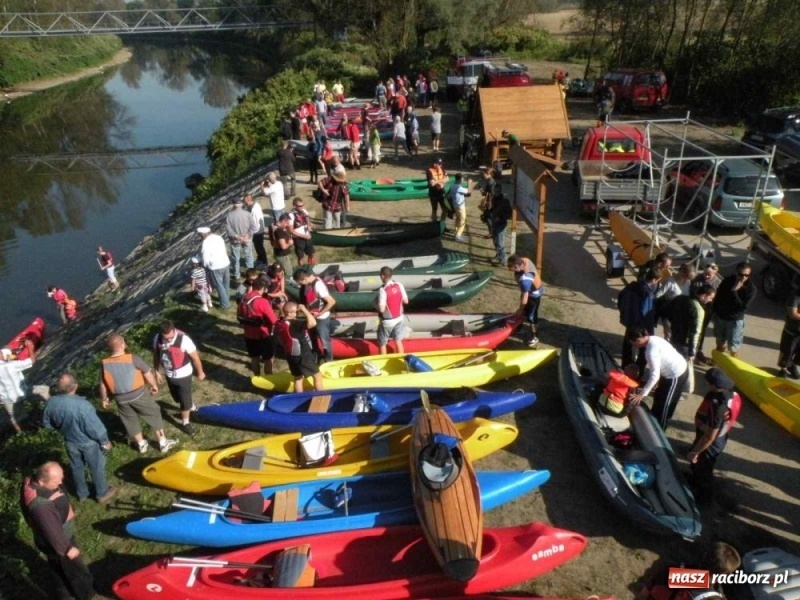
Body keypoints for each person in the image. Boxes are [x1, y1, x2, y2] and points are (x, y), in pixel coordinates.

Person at [21, 462, 96, 600]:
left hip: (50, 538)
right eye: (57, 481)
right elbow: (51, 531)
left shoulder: (35, 481)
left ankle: (64, 594)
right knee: (76, 570)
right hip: (60, 542)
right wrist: (67, 549)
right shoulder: (41, 506)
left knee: (59, 568)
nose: (61, 482)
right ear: (42, 481)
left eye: (61, 478)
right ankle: (87, 594)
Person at [42, 373, 116, 503]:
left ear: (58, 388)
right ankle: (102, 493)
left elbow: (47, 425)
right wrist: (105, 441)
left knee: (76, 468)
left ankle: (82, 494)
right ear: (75, 386)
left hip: (70, 441)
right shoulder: (83, 406)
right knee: (96, 468)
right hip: (88, 442)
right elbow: (95, 428)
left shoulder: (51, 403)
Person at [98, 333, 177, 454]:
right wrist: (154, 385)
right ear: (123, 344)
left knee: (130, 421)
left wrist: (104, 399)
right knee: (153, 413)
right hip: (139, 394)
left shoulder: (104, 364)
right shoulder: (132, 358)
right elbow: (147, 373)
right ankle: (163, 442)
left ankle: (141, 445)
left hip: (121, 399)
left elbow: (103, 384)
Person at [687, 368, 741, 499]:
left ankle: (703, 495)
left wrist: (696, 452)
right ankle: (695, 480)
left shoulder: (718, 407)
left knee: (704, 467)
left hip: (711, 440)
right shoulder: (732, 394)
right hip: (718, 435)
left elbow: (710, 436)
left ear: (714, 385)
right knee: (700, 466)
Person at [626, 328, 689, 431]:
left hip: (675, 375)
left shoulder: (651, 352)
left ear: (638, 340)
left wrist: (642, 394)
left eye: (633, 343)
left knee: (665, 404)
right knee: (659, 396)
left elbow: (655, 375)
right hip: (669, 372)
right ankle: (653, 420)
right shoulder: (654, 338)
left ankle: (660, 429)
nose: (634, 346)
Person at [152, 321, 205, 436]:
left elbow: (195, 357)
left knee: (184, 401)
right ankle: (192, 407)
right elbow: (156, 355)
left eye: (171, 338)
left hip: (184, 374)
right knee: (177, 398)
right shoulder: (157, 338)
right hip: (169, 374)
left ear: (174, 330)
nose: (169, 340)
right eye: (166, 338)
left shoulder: (184, 339)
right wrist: (156, 371)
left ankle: (185, 422)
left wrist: (200, 372)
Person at [666, 283, 716, 394]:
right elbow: (696, 332)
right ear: (703, 295)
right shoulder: (698, 310)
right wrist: (693, 352)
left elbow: (668, 312)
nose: (710, 301)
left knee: (671, 363)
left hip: (674, 337)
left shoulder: (681, 298)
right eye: (710, 297)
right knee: (684, 368)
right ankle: (682, 389)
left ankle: (668, 382)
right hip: (685, 343)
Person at [273, 301, 324, 392]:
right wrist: (304, 309)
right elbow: (312, 323)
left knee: (298, 378)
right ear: (289, 313)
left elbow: (285, 314)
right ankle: (321, 396)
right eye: (296, 312)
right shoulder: (295, 324)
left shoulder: (279, 323)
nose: (297, 313)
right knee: (317, 376)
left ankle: (298, 397)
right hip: (303, 354)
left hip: (290, 355)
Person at [618, 269, 660, 370]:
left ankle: (625, 366)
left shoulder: (632, 286)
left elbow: (620, 299)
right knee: (643, 349)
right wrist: (649, 331)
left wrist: (624, 314)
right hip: (641, 326)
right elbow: (647, 313)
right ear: (654, 280)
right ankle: (638, 370)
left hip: (629, 321)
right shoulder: (648, 294)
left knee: (627, 345)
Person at [713, 262, 756, 358]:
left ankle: (733, 364)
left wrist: (734, 292)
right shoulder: (728, 280)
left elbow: (743, 307)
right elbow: (719, 296)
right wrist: (715, 312)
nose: (743, 277)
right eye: (741, 274)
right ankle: (717, 360)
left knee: (733, 347)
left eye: (746, 275)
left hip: (735, 320)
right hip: (721, 317)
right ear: (736, 272)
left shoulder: (751, 289)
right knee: (719, 342)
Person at [294, 267, 336, 362]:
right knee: (313, 340)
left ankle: (329, 361)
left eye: (300, 283)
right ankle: (316, 359)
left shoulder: (318, 285)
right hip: (312, 317)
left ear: (304, 279)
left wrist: (320, 313)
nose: (300, 285)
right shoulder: (308, 283)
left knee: (325, 341)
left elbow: (331, 301)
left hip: (321, 318)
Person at [238, 277, 278, 376]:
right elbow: (274, 320)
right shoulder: (262, 302)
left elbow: (239, 314)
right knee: (268, 357)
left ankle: (257, 377)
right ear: (263, 288)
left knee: (254, 357)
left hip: (248, 334)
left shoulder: (244, 297)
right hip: (263, 334)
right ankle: (268, 378)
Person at [690, 263, 723, 365]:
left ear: (715, 273)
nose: (706, 276)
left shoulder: (718, 283)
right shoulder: (697, 279)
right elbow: (691, 291)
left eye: (709, 274)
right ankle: (693, 350)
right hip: (695, 307)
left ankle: (698, 349)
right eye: (705, 273)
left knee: (702, 330)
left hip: (708, 310)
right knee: (693, 330)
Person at [508, 255, 544, 347]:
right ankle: (519, 328)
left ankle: (535, 336)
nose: (508, 269)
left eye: (510, 267)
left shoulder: (525, 280)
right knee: (524, 312)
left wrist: (520, 308)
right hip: (528, 290)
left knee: (531, 316)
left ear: (516, 266)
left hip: (534, 295)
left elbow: (525, 296)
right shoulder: (524, 260)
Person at [0, 345, 36, 433]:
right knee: (43, 390)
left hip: (7, 398)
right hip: (20, 394)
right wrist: (30, 347)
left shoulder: (9, 364)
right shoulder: (11, 365)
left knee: (13, 417)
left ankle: (21, 433)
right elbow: (31, 361)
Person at [375, 266, 409, 355]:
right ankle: (401, 359)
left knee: (382, 343)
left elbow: (382, 309)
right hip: (399, 318)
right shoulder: (399, 285)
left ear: (382, 276)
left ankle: (383, 361)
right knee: (398, 341)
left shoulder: (383, 290)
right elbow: (406, 301)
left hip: (387, 322)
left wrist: (375, 305)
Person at [198, 226, 231, 310]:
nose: (200, 237)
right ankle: (226, 299)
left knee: (219, 285)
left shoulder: (205, 242)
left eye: (200, 235)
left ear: (203, 234)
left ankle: (225, 305)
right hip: (225, 262)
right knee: (225, 283)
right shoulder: (218, 237)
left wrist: (205, 265)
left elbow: (205, 257)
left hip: (215, 266)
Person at [226, 196, 257, 281]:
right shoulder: (247, 214)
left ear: (233, 204)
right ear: (241, 203)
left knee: (235, 257)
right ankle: (251, 273)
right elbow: (253, 227)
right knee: (249, 255)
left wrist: (237, 236)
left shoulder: (229, 215)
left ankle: (237, 274)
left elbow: (228, 229)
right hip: (247, 238)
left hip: (235, 240)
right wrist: (247, 235)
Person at [778, 280, 800, 378]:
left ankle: (793, 366)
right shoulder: (795, 296)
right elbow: (793, 314)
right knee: (787, 350)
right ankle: (783, 369)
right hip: (792, 330)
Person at [288, 197, 316, 266]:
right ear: (294, 206)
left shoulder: (304, 211)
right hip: (298, 238)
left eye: (302, 205)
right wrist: (303, 236)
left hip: (307, 235)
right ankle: (302, 269)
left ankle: (311, 266)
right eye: (299, 206)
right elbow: (290, 230)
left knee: (311, 253)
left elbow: (308, 221)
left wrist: (309, 226)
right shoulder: (291, 215)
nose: (302, 207)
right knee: (300, 256)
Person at [489, 185, 512, 265]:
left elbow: (509, 214)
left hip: (501, 224)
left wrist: (501, 218)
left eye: (497, 191)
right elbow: (493, 208)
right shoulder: (494, 198)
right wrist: (489, 211)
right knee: (494, 240)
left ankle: (503, 260)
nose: (495, 193)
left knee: (500, 242)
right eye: (495, 191)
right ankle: (498, 255)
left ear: (500, 191)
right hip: (494, 222)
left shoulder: (505, 200)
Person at [244, 193, 268, 266]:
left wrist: (254, 231)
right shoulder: (252, 206)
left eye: (245, 201)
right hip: (255, 230)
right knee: (257, 246)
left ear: (249, 200)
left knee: (259, 246)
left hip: (257, 230)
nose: (244, 203)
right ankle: (260, 258)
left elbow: (258, 221)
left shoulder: (255, 208)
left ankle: (264, 261)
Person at [446, 173, 471, 242]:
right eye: (463, 178)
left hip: (455, 205)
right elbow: (468, 192)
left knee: (458, 219)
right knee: (463, 220)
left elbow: (448, 196)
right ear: (460, 179)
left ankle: (457, 232)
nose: (464, 179)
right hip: (460, 206)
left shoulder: (453, 185)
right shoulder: (458, 187)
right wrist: (469, 183)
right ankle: (458, 236)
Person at [427, 157, 448, 221]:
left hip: (441, 192)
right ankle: (434, 224)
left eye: (441, 164)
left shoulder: (442, 169)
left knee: (445, 209)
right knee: (434, 210)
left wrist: (437, 181)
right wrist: (442, 181)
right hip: (433, 193)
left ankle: (442, 224)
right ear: (434, 164)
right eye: (439, 164)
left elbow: (447, 179)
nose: (441, 165)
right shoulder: (429, 171)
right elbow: (432, 184)